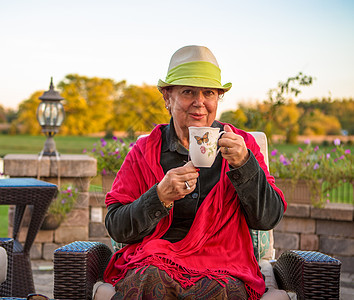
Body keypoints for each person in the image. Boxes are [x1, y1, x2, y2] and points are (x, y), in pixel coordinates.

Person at [103, 45, 286, 300]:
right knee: (150, 278)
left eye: (209, 93)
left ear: (217, 99)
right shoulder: (145, 151)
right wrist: (160, 196)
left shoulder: (242, 146)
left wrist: (244, 165)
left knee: (221, 290)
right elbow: (117, 226)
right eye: (188, 91)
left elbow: (268, 218)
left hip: (224, 265)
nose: (199, 102)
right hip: (157, 261)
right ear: (168, 97)